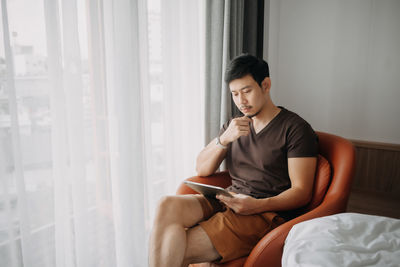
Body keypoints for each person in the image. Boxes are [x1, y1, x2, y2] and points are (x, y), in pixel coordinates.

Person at [149, 54, 318, 267]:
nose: (241, 101)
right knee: (166, 204)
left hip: (263, 214)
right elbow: (202, 168)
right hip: (228, 198)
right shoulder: (234, 125)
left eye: (247, 91)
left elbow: (302, 192)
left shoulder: (295, 129)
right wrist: (224, 139)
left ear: (265, 85)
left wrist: (256, 206)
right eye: (235, 94)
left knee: (173, 249)